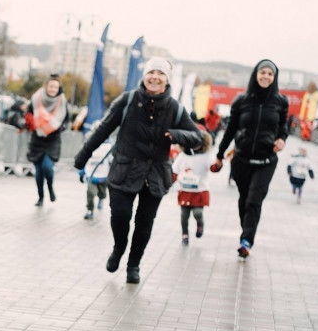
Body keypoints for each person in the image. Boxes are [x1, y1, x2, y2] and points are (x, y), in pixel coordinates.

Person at [73, 57, 202, 284]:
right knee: (120, 216)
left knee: (144, 224)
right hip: (124, 169)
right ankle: (119, 247)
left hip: (155, 176)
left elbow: (197, 138)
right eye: (152, 72)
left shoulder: (176, 108)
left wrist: (176, 135)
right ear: (145, 76)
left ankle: (134, 265)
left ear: (166, 80)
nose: (155, 77)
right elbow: (104, 129)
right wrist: (83, 157)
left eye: (161, 74)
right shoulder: (128, 100)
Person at [212, 59, 289, 258]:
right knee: (244, 200)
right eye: (262, 72)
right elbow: (230, 130)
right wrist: (220, 155)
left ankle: (246, 241)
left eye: (270, 74)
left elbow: (283, 127)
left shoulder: (281, 102)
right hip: (241, 160)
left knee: (254, 200)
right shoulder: (241, 100)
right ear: (255, 74)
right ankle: (246, 230)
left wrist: (281, 139)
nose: (266, 76)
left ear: (275, 77)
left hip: (266, 161)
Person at [25, 74, 70, 206]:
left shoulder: (62, 101)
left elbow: (67, 120)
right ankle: (41, 197)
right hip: (37, 138)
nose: (53, 89)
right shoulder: (36, 98)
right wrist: (29, 123)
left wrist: (57, 127)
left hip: (53, 139)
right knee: (38, 171)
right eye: (51, 86)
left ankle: (50, 188)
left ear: (58, 88)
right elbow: (28, 114)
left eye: (56, 87)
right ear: (46, 86)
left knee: (47, 167)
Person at [172, 130, 214, 244]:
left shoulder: (205, 156)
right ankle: (184, 233)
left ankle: (200, 223)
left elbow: (212, 167)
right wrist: (168, 182)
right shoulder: (182, 156)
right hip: (185, 189)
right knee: (184, 216)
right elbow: (174, 171)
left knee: (197, 213)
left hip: (199, 190)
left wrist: (217, 165)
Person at [79, 137, 112, 220]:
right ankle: (90, 210)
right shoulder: (89, 145)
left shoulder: (108, 147)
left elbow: (112, 161)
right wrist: (81, 173)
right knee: (91, 193)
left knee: (102, 193)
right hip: (91, 174)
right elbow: (83, 159)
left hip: (103, 176)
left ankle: (101, 198)